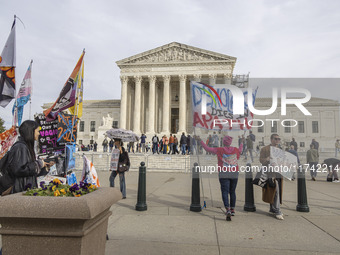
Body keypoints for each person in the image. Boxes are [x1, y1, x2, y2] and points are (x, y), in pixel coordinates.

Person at [199, 135, 243, 221]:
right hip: (234, 173)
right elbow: (240, 150)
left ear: (224, 142)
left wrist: (201, 141)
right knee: (232, 191)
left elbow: (208, 149)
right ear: (230, 142)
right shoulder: (235, 149)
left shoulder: (219, 150)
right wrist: (241, 142)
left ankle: (227, 209)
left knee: (225, 191)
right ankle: (233, 209)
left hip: (224, 172)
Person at [7, 120, 52, 194]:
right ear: (30, 131)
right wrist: (39, 163)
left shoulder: (26, 147)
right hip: (21, 190)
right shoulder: (20, 147)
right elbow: (19, 169)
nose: (39, 133)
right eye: (37, 131)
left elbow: (29, 172)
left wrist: (45, 167)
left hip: (26, 189)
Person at [259, 134, 284, 220]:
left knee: (274, 191)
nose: (277, 140)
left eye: (279, 139)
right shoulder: (265, 149)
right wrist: (267, 159)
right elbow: (261, 160)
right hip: (270, 173)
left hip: (278, 173)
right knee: (275, 191)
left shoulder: (280, 150)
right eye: (275, 139)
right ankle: (277, 211)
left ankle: (272, 208)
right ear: (271, 139)